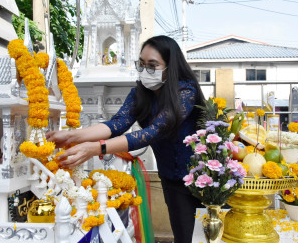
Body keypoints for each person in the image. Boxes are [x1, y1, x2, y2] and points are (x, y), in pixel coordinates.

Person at [46, 35, 205, 242]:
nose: (144, 71)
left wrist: (97, 149)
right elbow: (116, 125)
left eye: (152, 65)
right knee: (183, 237)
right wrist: (71, 135)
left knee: (203, 236)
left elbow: (153, 132)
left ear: (170, 67)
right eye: (141, 64)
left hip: (200, 179)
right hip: (171, 178)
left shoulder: (185, 92)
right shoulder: (139, 94)